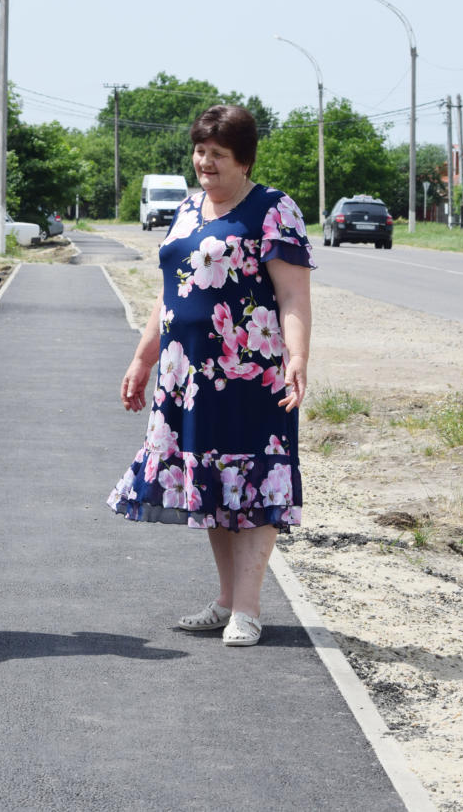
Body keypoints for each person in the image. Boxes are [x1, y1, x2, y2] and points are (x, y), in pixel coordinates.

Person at [107, 104, 315, 647]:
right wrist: (143, 358)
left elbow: (293, 295)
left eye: (217, 154)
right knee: (215, 488)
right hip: (187, 377)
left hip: (251, 376)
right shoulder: (186, 208)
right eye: (200, 150)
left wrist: (298, 358)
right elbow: (168, 293)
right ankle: (226, 601)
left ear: (244, 160)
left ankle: (248, 609)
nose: (205, 162)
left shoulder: (273, 209)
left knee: (254, 484)